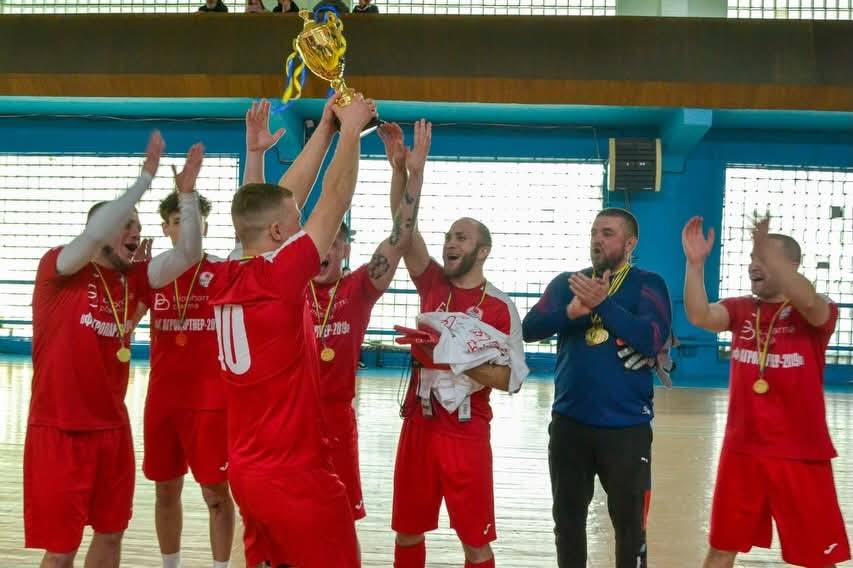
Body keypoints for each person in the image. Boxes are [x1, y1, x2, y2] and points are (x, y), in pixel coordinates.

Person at [206, 93, 376, 568]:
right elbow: (335, 199)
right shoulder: (279, 279)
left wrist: (324, 127)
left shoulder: (228, 272)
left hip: (247, 473)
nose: (303, 229)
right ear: (281, 236)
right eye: (297, 226)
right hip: (294, 476)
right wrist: (351, 130)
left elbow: (271, 205)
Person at [24, 133, 204, 568]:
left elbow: (189, 253)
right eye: (125, 224)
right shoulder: (58, 269)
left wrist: (186, 196)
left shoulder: (135, 279)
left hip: (112, 431)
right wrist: (145, 179)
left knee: (110, 536)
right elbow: (92, 235)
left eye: (138, 226)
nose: (135, 231)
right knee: (61, 551)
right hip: (60, 431)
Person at [681, 215, 850, 568]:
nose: (754, 264)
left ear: (792, 265)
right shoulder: (742, 309)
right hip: (742, 450)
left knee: (817, 557)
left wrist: (769, 253)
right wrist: (694, 266)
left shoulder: (817, 311)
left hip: (800, 453)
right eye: (752, 258)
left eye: (764, 258)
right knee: (721, 547)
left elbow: (808, 300)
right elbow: (700, 316)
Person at [390, 162, 529, 567]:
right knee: (408, 531)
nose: (450, 243)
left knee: (474, 541)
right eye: (448, 236)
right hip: (418, 424)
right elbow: (403, 228)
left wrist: (454, 358)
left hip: (466, 431)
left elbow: (511, 380)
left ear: (482, 252)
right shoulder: (432, 281)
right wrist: (404, 173)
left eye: (461, 238)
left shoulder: (500, 308)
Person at [521, 207, 672, 568]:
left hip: (626, 429)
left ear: (630, 243)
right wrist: (569, 314)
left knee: (630, 528)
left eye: (607, 233)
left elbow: (652, 339)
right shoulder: (567, 283)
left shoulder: (648, 284)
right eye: (593, 232)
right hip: (569, 425)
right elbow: (528, 329)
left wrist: (603, 305)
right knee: (567, 523)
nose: (597, 240)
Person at [143, 191, 235, 568]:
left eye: (194, 220)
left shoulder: (223, 271)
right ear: (165, 228)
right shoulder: (152, 274)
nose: (187, 228)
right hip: (163, 400)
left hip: (210, 404)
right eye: (178, 221)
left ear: (205, 227)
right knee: (165, 490)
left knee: (216, 495)